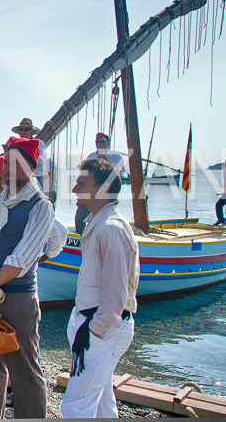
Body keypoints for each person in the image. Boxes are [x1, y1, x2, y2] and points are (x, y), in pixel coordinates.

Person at [0, 137, 54, 419]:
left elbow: (21, 258)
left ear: (31, 166)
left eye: (15, 164)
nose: (6, 170)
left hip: (17, 298)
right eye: (6, 164)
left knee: (24, 369)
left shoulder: (41, 206)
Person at [61, 158, 139, 418]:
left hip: (101, 330)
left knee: (75, 406)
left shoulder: (111, 229)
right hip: (94, 326)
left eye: (81, 184)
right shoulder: (99, 223)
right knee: (103, 403)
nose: (74, 190)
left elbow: (116, 296)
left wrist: (92, 330)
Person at [75, 133, 126, 235]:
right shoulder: (92, 156)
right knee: (81, 214)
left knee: (105, 216)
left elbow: (116, 172)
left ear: (108, 143)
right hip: (90, 192)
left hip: (107, 194)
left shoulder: (116, 157)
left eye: (102, 142)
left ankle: (102, 235)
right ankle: (80, 236)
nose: (99, 144)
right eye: (97, 142)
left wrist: (104, 159)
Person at [11, 118, 48, 191]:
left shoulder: (39, 144)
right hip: (19, 179)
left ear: (31, 131)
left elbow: (43, 161)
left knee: (37, 200)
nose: (23, 131)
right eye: (21, 129)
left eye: (26, 129)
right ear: (19, 132)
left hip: (36, 178)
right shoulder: (15, 145)